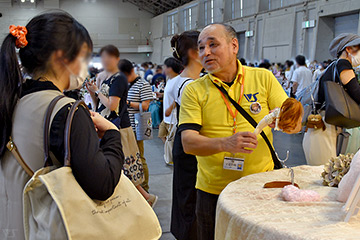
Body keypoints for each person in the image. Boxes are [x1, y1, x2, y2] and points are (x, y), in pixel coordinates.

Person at [0, 12, 124, 239]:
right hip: (46, 230)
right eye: (84, 57)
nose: (86, 66)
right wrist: (113, 135)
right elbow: (103, 184)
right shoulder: (67, 110)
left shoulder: (10, 101)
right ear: (61, 57)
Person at [179, 24, 289, 239]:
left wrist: (292, 122)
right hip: (213, 191)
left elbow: (288, 118)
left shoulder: (263, 78)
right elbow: (188, 143)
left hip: (260, 186)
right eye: (201, 48)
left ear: (234, 45)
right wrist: (226, 143)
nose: (206, 52)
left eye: (213, 45)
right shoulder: (194, 90)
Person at [86, 46, 157, 206]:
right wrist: (93, 91)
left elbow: (112, 106)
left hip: (120, 126)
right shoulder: (106, 78)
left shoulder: (118, 79)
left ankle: (144, 197)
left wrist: (97, 91)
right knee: (121, 163)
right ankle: (143, 197)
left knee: (128, 163)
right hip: (108, 124)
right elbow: (100, 104)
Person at [303, 33, 360, 166]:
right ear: (349, 49)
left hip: (323, 127)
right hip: (326, 129)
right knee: (323, 175)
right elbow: (356, 92)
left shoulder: (333, 67)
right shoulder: (343, 64)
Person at [170, 30, 203, 240]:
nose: (209, 51)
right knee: (191, 197)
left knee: (186, 195)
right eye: (204, 46)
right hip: (190, 144)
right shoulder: (190, 85)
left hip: (185, 143)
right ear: (193, 52)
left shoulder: (184, 80)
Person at [120, 59, 154, 193]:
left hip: (136, 126)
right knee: (129, 159)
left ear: (131, 72)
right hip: (126, 126)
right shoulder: (126, 84)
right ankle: (136, 187)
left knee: (139, 157)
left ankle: (145, 187)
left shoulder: (143, 84)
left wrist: (126, 102)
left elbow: (145, 106)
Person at [158, 57, 183, 144]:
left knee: (171, 141)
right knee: (162, 135)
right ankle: (168, 152)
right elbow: (170, 94)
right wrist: (161, 95)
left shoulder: (179, 80)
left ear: (170, 68)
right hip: (166, 118)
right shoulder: (169, 80)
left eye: (165, 66)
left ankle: (170, 155)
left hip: (173, 118)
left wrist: (170, 108)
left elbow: (179, 97)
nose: (163, 69)